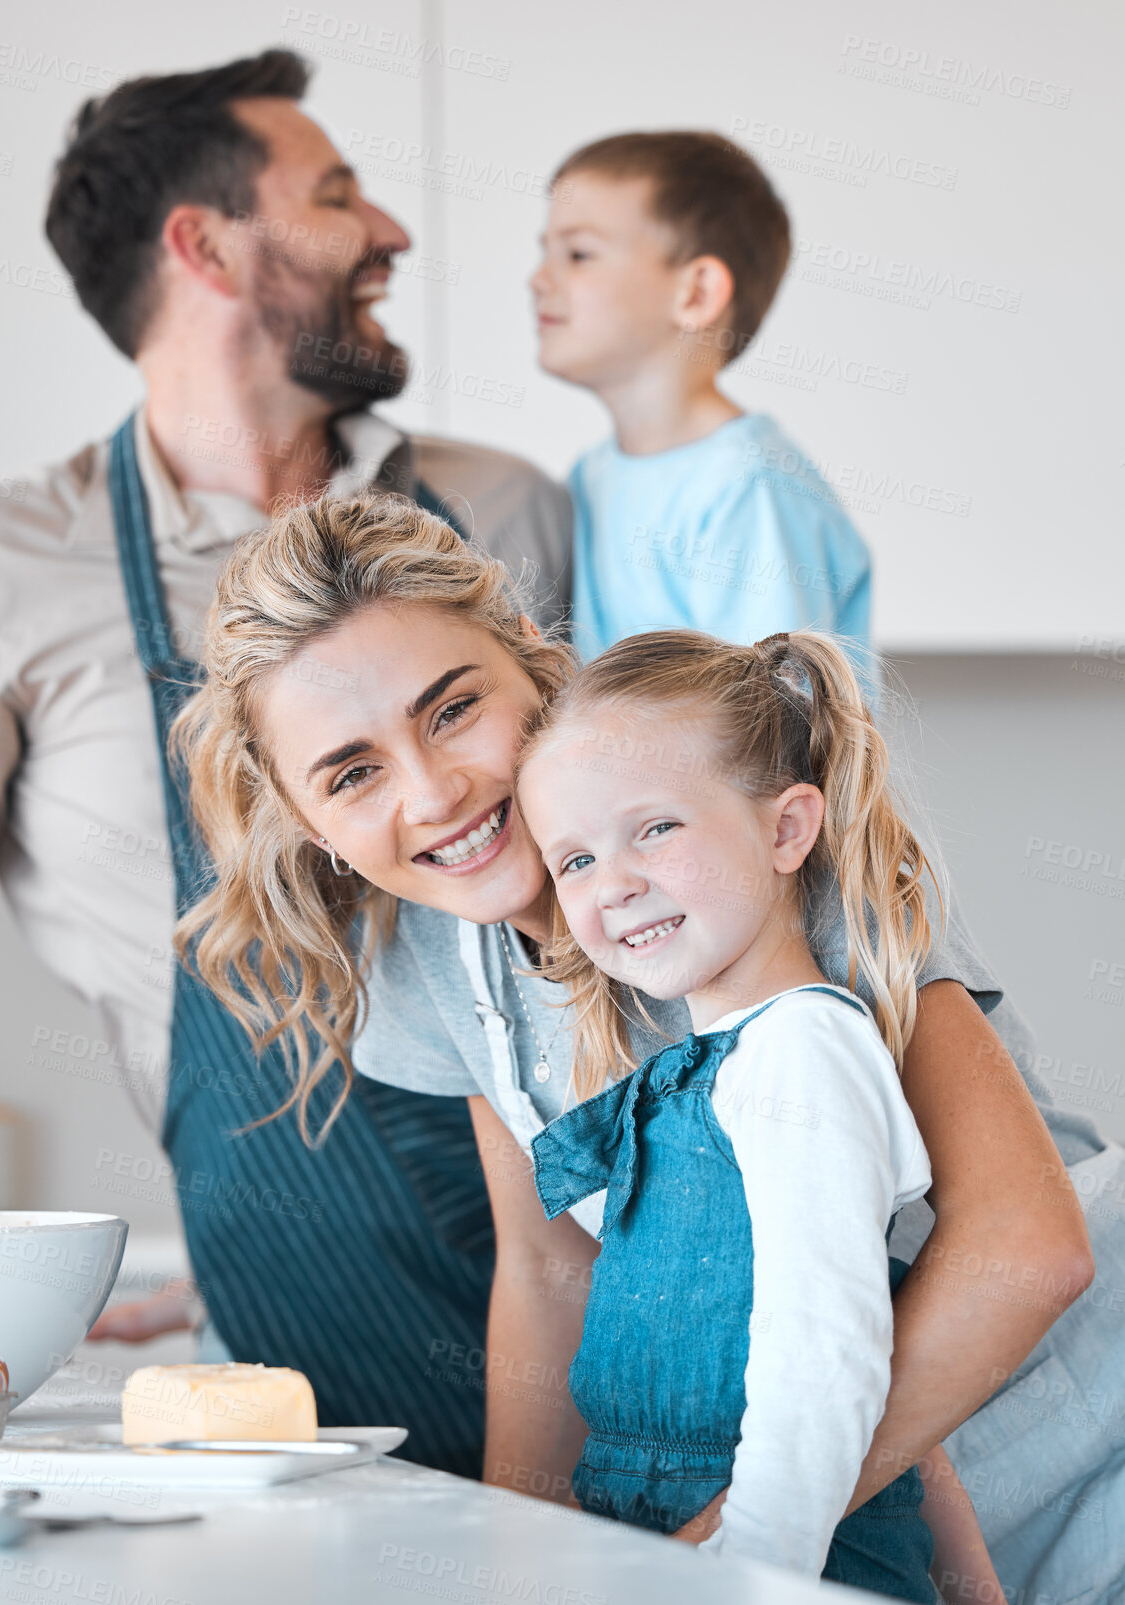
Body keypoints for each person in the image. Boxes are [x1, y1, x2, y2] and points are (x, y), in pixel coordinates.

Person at [172, 489, 1124, 1604]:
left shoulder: (734, 841)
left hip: (1057, 1413)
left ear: (533, 659)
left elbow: (1025, 1247)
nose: (434, 793)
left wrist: (723, 1553)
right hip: (828, 1513)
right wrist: (525, 1574)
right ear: (301, 816)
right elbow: (552, 1268)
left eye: (451, 709)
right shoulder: (434, 953)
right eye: (352, 772)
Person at [0, 49, 573, 1478]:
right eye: (332, 197)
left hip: (594, 1264)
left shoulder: (506, 511)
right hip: (296, 1329)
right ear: (199, 246)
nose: (391, 230)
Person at [514, 627, 1001, 1599]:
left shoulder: (801, 1053)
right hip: (658, 1529)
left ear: (785, 831)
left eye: (655, 828)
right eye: (572, 860)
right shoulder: (701, 1070)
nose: (612, 883)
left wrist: (746, 1574)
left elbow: (826, 1358)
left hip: (785, 1559)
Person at [530, 132, 871, 660]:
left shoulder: (750, 489)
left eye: (578, 254)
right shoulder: (589, 477)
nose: (539, 278)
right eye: (545, 252)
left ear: (696, 293)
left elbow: (772, 724)